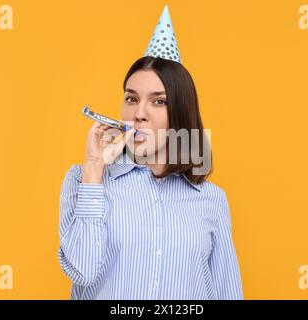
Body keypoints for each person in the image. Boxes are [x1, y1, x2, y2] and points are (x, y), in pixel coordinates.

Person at [58, 5, 243, 300]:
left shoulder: (212, 199)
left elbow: (226, 291)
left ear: (180, 113)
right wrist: (94, 168)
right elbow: (83, 271)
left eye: (158, 102)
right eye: (131, 98)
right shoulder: (83, 181)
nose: (140, 113)